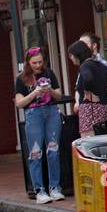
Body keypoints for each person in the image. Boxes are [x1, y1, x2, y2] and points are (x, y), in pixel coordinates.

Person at [14, 45, 64, 203]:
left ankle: (55, 188)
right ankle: (39, 190)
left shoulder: (49, 73)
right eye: (34, 62)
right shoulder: (21, 78)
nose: (37, 65)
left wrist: (50, 91)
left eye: (40, 62)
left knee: (53, 150)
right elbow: (19, 103)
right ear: (28, 62)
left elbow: (59, 95)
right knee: (36, 153)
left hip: (51, 112)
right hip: (33, 115)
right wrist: (34, 92)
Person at [68, 40, 107, 136]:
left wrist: (88, 92)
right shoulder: (98, 64)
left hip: (89, 110)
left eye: (71, 55)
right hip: (103, 108)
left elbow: (88, 78)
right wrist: (104, 87)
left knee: (88, 143)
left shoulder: (84, 66)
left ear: (77, 55)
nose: (71, 58)